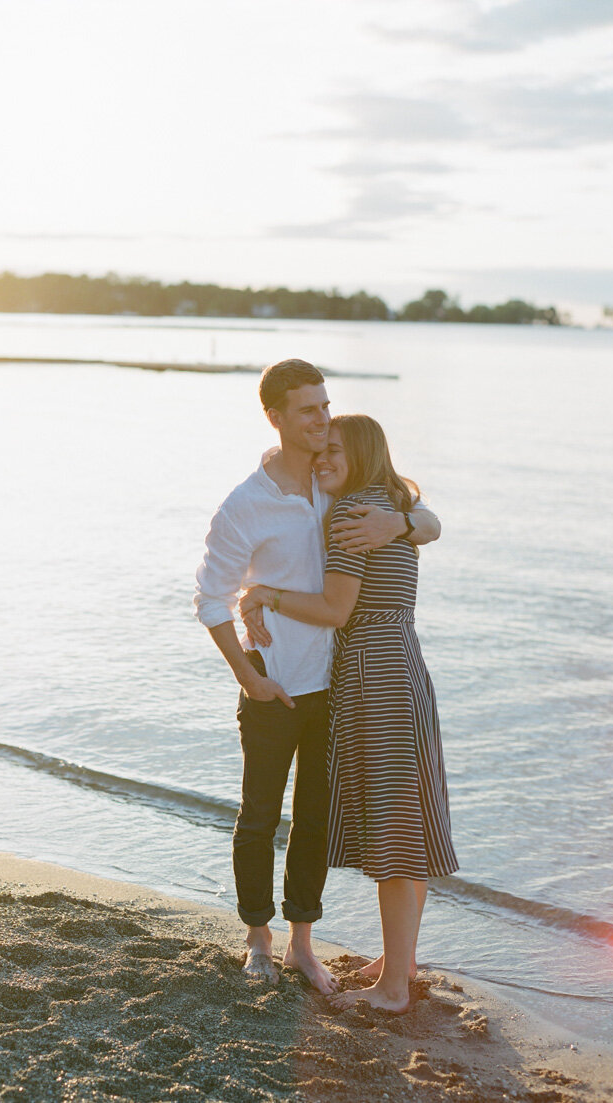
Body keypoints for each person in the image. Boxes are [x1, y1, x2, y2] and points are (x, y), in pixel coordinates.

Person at [193, 362, 440, 994]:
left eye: (325, 406)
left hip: (337, 688)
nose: (321, 419)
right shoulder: (245, 505)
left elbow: (427, 520)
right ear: (274, 415)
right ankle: (257, 940)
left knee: (314, 821)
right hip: (275, 685)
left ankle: (304, 942)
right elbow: (211, 599)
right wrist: (248, 676)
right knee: (258, 819)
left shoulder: (339, 484)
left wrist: (403, 524)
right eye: (307, 410)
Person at [239, 413, 458, 1013]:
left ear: (360, 453)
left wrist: (267, 594)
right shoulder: (390, 507)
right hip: (404, 665)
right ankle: (401, 961)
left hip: (372, 675)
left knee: (391, 826)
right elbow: (429, 524)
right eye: (319, 449)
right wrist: (412, 519)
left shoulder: (353, 514)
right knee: (410, 816)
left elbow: (337, 609)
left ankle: (391, 990)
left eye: (334, 449)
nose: (322, 457)